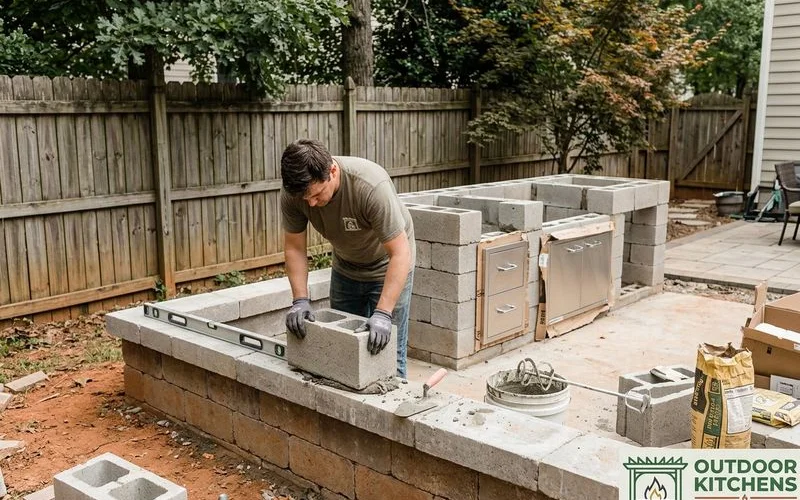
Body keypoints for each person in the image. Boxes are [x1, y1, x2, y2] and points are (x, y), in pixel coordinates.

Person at [280, 139, 416, 378]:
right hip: (346, 266)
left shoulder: (370, 186)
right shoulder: (296, 192)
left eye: (316, 194)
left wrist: (383, 313)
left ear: (332, 171)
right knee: (343, 351)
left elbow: (400, 253)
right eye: (305, 199)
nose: (311, 204)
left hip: (388, 265)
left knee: (387, 355)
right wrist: (299, 300)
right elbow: (295, 248)